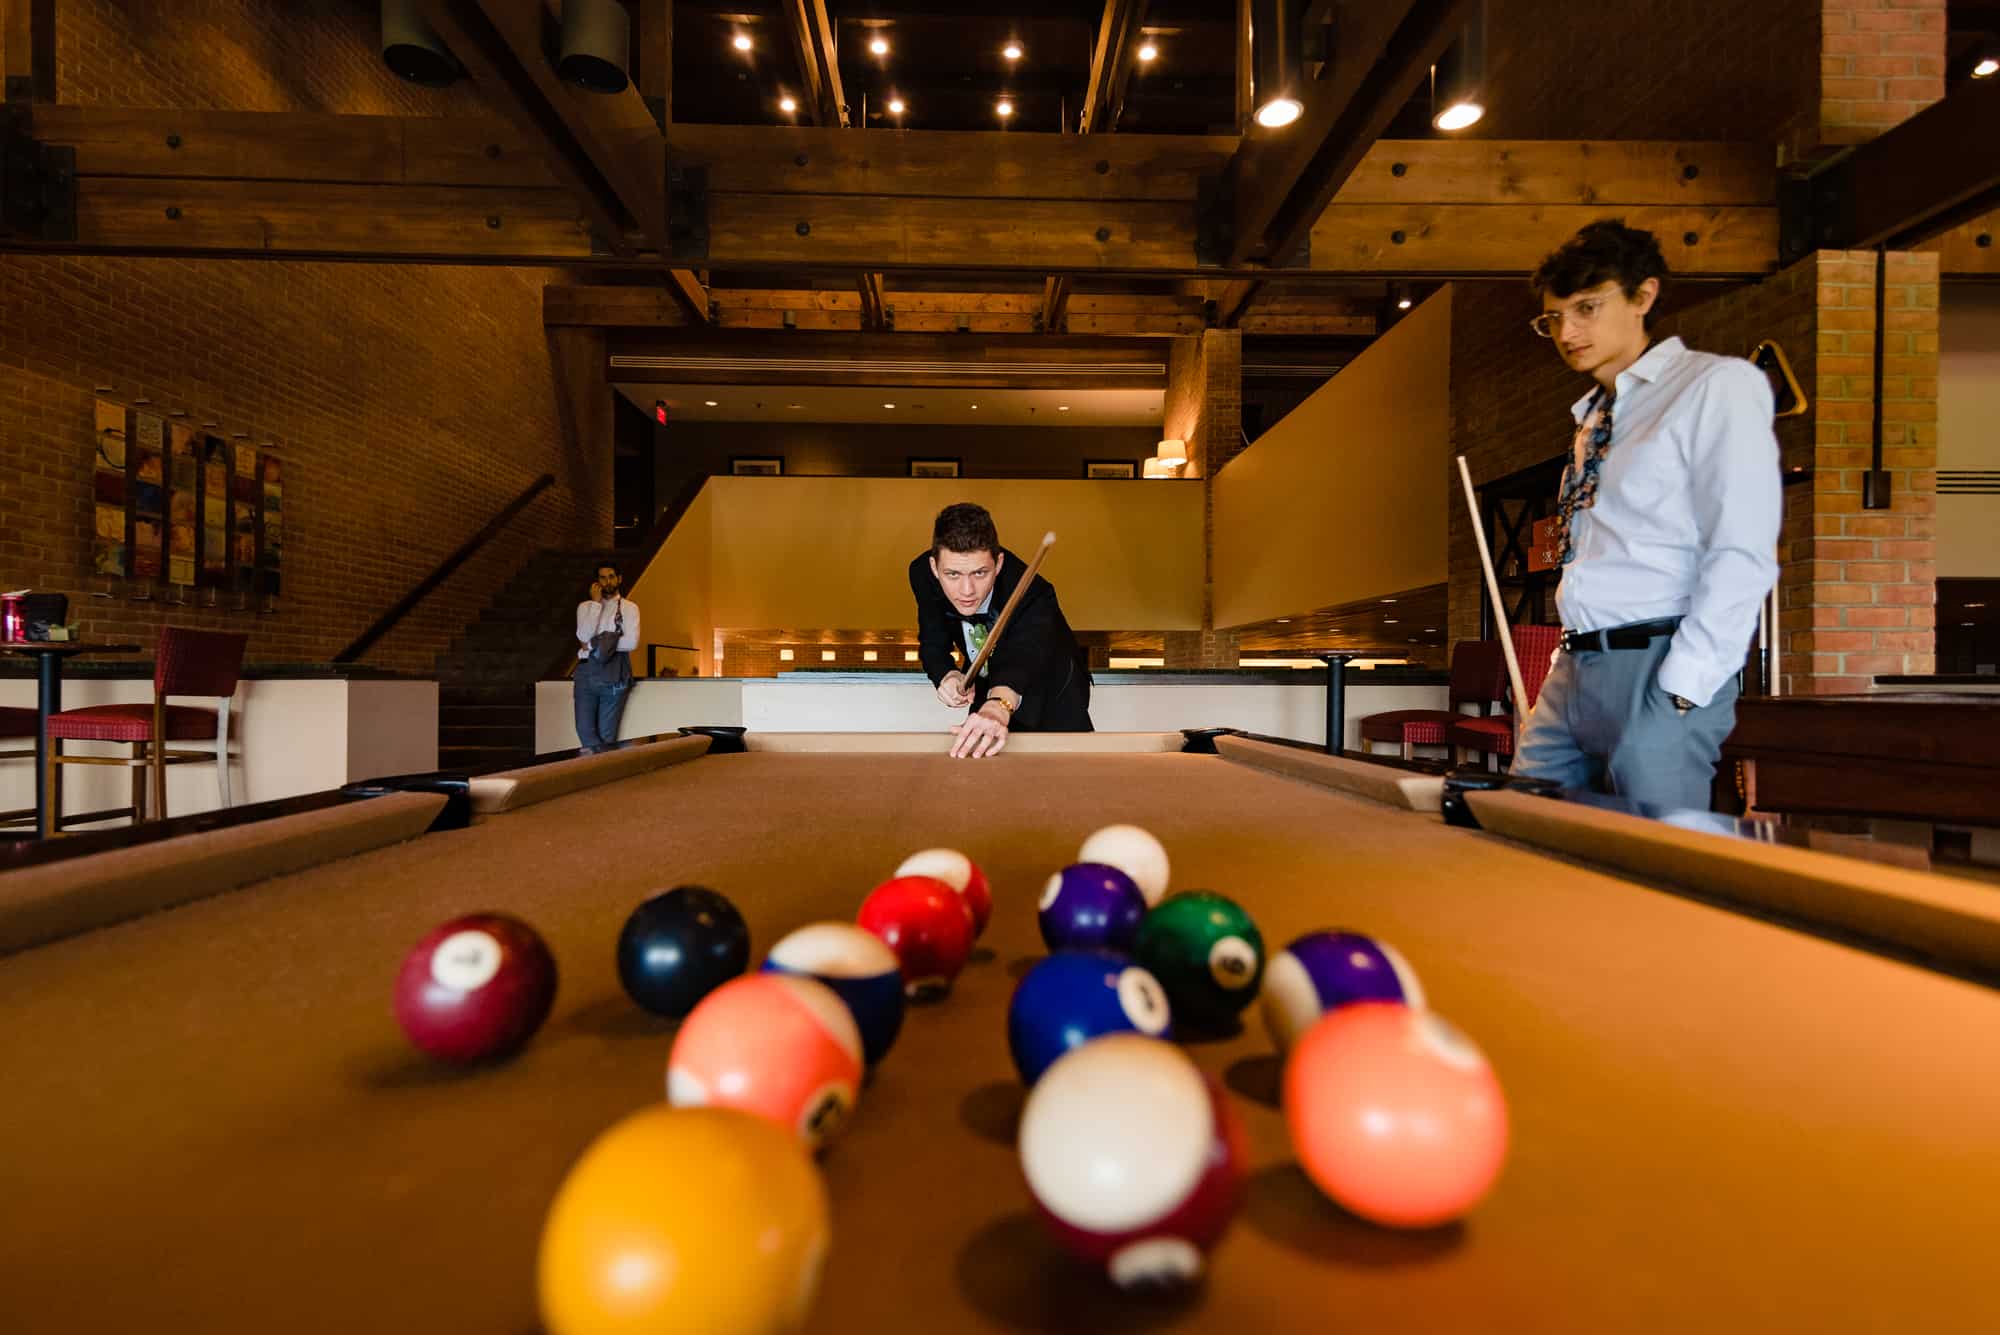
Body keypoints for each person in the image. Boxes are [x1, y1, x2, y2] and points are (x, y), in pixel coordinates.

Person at [1511, 219, 1780, 810]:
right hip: (1576, 669)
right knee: (1522, 824)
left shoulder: (1714, 386)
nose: (1568, 330)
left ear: (1643, 295)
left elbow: (1743, 548)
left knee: (1656, 865)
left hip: (1660, 665)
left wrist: (1684, 687)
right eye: (1553, 317)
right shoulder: (1592, 421)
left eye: (1586, 307)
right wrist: (1564, 663)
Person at [910, 503, 1091, 759]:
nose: (966, 590)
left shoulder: (1032, 592)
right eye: (952, 574)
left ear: (998, 564)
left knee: (1066, 782)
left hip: (1053, 692)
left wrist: (999, 705)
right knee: (983, 775)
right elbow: (932, 638)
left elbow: (1023, 656)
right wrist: (946, 674)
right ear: (933, 568)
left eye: (980, 573)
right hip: (989, 687)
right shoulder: (922, 575)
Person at [573, 561, 639, 752]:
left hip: (614, 671)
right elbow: (583, 635)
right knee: (584, 729)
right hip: (585, 672)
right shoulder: (585, 607)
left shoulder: (629, 608)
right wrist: (595, 603)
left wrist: (592, 644)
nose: (607, 581)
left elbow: (631, 643)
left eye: (611, 576)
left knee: (607, 734)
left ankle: (602, 772)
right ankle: (599, 767)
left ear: (619, 579)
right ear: (596, 582)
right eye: (602, 577)